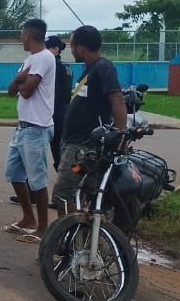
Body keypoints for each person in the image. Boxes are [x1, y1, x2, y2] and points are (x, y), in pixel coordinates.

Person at [53, 26, 127, 217]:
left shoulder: (104, 68)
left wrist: (121, 135)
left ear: (81, 48)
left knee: (63, 193)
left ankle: (67, 237)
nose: (70, 49)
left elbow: (117, 99)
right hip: (73, 142)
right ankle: (80, 238)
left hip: (84, 146)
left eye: (72, 45)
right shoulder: (89, 69)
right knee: (81, 193)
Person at [4, 18, 55, 243]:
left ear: (28, 34)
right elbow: (11, 90)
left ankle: (42, 227)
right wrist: (19, 79)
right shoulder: (29, 60)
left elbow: (26, 91)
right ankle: (28, 218)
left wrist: (21, 81)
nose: (20, 38)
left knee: (37, 180)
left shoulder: (45, 58)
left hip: (37, 127)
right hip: (22, 126)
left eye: (21, 34)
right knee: (14, 173)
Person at [46, 35, 73, 170]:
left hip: (54, 112)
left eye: (47, 48)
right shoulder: (67, 67)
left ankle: (65, 178)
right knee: (61, 148)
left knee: (56, 148)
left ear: (56, 49)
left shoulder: (53, 67)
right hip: (65, 111)